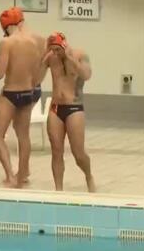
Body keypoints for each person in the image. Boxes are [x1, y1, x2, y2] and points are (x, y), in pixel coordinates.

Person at [38, 32, 95, 192]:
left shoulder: (79, 54)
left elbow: (87, 75)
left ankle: (88, 175)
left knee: (78, 153)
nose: (55, 53)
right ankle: (58, 189)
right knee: (56, 151)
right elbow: (36, 79)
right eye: (53, 49)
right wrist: (45, 53)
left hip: (74, 108)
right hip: (56, 108)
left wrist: (68, 56)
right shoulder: (50, 57)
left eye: (58, 49)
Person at [0, 8, 40, 188]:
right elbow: (36, 73)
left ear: (4, 26)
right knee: (23, 136)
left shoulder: (7, 42)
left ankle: (10, 176)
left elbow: (0, 73)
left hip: (11, 93)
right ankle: (22, 176)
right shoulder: (33, 42)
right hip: (28, 93)